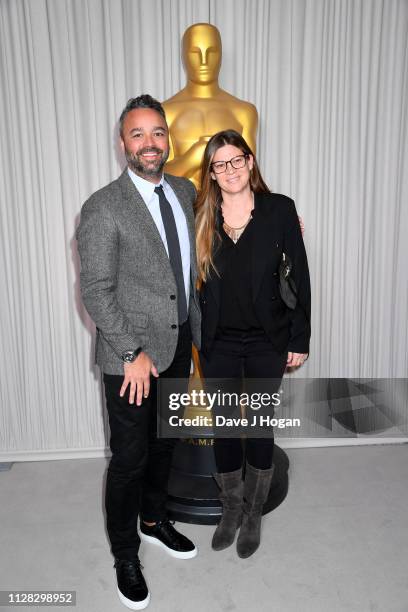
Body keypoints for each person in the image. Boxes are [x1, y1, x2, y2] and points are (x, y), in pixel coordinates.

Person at [76, 95, 201, 610]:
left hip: (178, 345)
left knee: (165, 444)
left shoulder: (187, 191)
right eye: (137, 134)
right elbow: (96, 290)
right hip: (131, 361)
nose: (150, 143)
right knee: (129, 458)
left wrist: (282, 227)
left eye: (157, 133)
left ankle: (153, 521)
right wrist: (132, 351)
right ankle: (126, 553)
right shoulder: (103, 206)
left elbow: (220, 234)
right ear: (122, 143)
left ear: (167, 138)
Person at [195, 129, 311, 558]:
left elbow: (299, 275)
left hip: (268, 340)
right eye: (219, 164)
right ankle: (230, 509)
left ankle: (253, 513)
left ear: (250, 160)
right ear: (211, 172)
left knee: (259, 426)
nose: (230, 170)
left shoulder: (280, 210)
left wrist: (300, 336)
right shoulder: (201, 216)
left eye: (236, 160)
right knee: (225, 427)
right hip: (218, 342)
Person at [163, 23, 258, 188]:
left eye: (211, 52)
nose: (204, 61)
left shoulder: (244, 112)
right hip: (184, 209)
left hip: (230, 210)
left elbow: (250, 173)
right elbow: (156, 178)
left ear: (220, 55)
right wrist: (192, 158)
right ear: (184, 56)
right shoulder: (165, 112)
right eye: (195, 52)